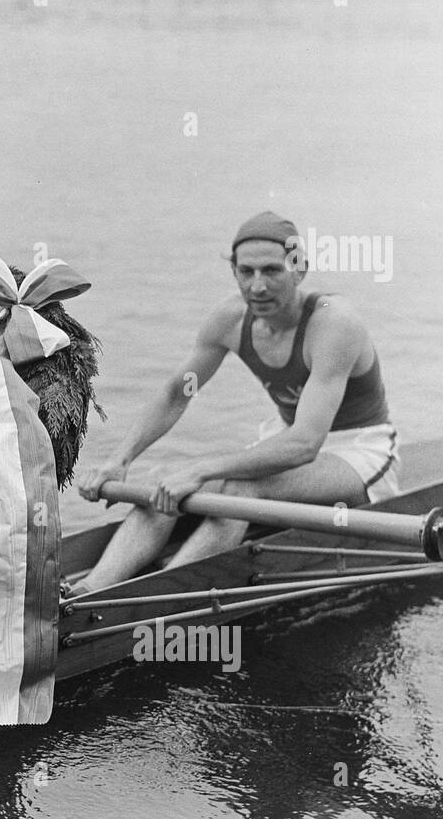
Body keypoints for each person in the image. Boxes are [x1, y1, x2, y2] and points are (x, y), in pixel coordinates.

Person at [73, 211, 399, 595]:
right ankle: (87, 592)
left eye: (271, 271)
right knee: (165, 478)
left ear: (300, 269)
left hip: (358, 451)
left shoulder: (333, 323)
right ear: (234, 272)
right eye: (246, 272)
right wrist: (120, 460)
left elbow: (305, 444)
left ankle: (155, 599)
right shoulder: (230, 320)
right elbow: (177, 394)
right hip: (290, 440)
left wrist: (201, 469)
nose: (257, 287)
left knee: (238, 491)